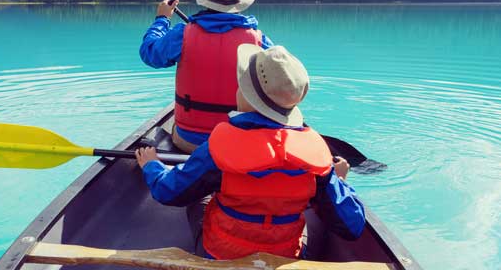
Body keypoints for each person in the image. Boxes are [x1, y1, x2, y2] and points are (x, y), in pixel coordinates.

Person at [135, 45, 365, 260]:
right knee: (314, 216)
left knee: (199, 198)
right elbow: (352, 225)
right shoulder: (317, 159)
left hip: (221, 256)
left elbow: (169, 192)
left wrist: (152, 166)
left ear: (247, 96)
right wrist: (340, 181)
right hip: (283, 257)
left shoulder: (219, 147)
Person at [140, 0, 273, 153]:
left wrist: (162, 19)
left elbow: (149, 53)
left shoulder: (183, 34)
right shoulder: (258, 41)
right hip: (237, 143)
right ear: (239, 3)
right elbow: (283, 80)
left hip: (189, 142)